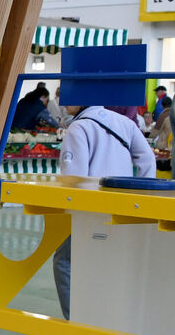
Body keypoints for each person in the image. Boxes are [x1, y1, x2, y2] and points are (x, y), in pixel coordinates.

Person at [52, 104, 158, 317]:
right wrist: (140, 199)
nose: (63, 104)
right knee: (109, 261)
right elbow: (147, 159)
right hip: (121, 207)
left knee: (64, 262)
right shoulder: (124, 122)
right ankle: (108, 316)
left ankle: (76, 321)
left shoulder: (79, 127)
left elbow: (75, 178)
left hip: (91, 210)